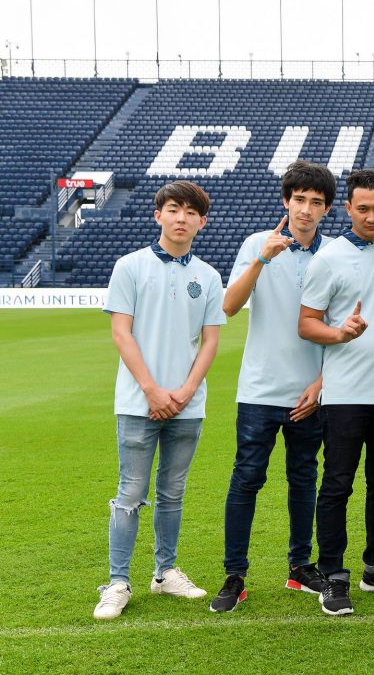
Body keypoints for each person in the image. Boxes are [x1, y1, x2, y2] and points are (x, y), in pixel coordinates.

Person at [94, 181, 226, 620]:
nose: (181, 217)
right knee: (130, 492)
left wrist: (185, 391)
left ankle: (165, 572)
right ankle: (117, 582)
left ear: (202, 222)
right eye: (173, 208)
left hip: (188, 404)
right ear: (158, 215)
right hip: (138, 401)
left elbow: (210, 341)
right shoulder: (130, 266)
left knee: (172, 492)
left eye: (190, 212)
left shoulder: (208, 276)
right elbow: (121, 333)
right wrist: (152, 389)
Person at [209, 161, 336, 613]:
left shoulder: (335, 253)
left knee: (304, 479)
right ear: (286, 201)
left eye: (316, 202)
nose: (306, 210)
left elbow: (341, 326)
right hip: (259, 389)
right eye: (299, 200)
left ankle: (300, 567)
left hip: (311, 392)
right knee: (246, 478)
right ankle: (235, 574)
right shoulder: (256, 243)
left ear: (326, 209)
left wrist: (321, 383)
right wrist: (263, 258)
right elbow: (228, 306)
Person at [298, 169, 374, 616]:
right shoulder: (328, 258)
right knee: (337, 486)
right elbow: (306, 324)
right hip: (345, 394)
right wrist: (340, 333)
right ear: (348, 208)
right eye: (362, 208)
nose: (371, 216)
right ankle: (333, 575)